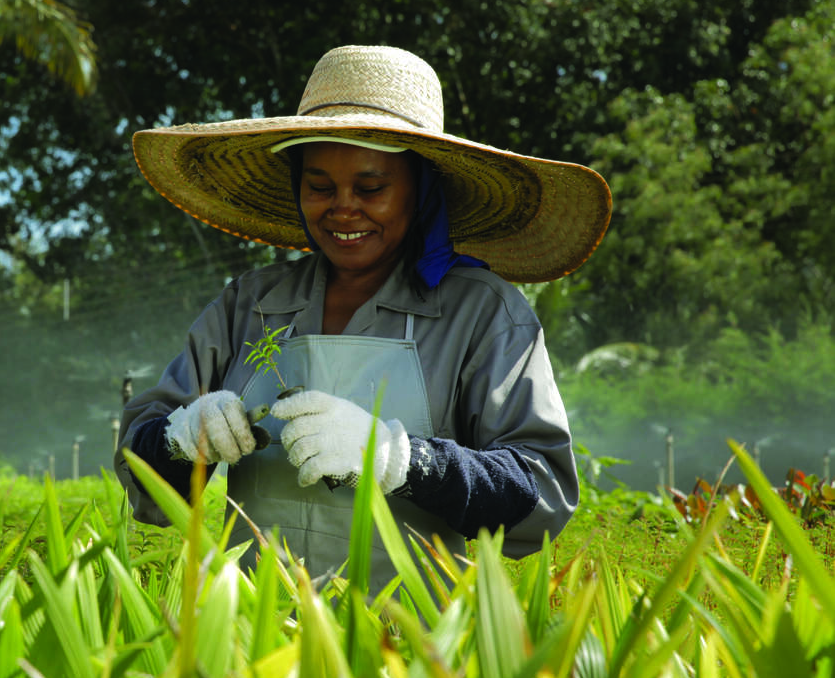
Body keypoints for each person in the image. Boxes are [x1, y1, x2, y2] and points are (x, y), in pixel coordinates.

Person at [115, 44, 612, 593]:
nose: (343, 208)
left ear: (421, 191)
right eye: (319, 187)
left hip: (408, 647)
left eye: (371, 188)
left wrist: (404, 460)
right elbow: (141, 479)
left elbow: (541, 497)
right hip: (258, 647)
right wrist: (181, 439)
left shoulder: (480, 313)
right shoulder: (251, 304)